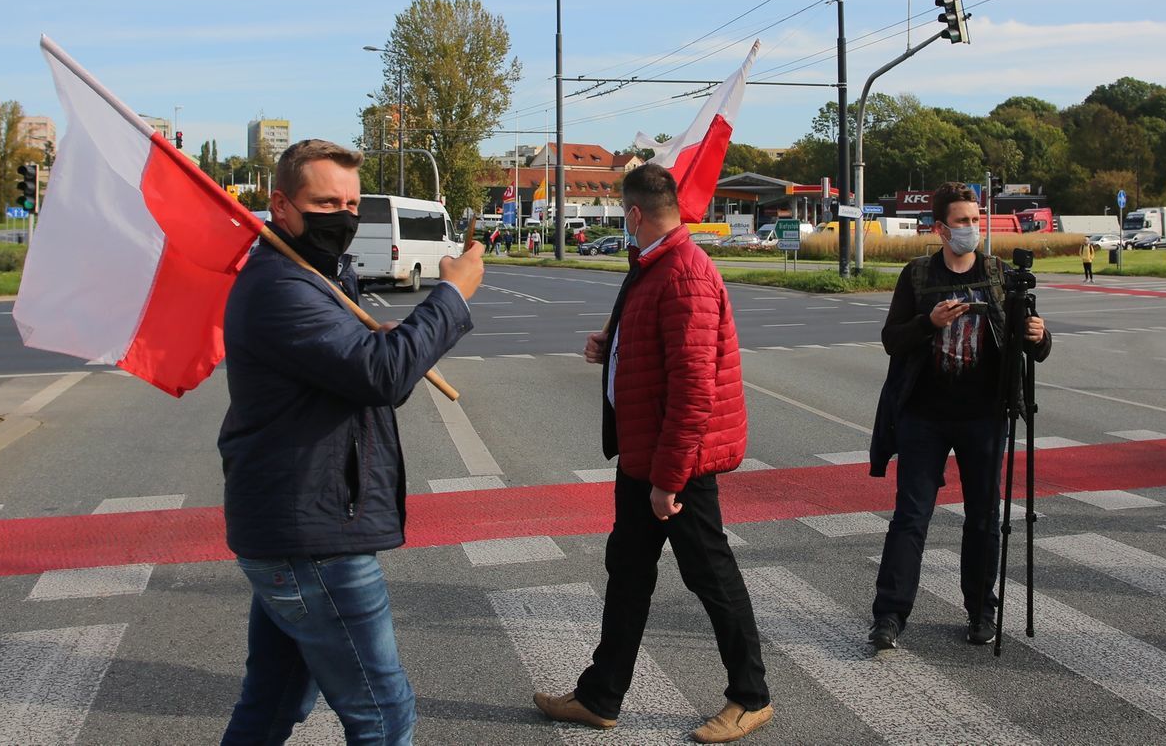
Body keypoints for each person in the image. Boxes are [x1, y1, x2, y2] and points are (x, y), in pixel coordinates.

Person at [217, 139, 483, 744]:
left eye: (351, 202)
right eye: (325, 201)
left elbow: (367, 379)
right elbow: (380, 375)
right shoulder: (282, 287)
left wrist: (392, 351)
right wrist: (452, 294)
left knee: (270, 705)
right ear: (280, 205)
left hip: (297, 526)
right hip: (312, 534)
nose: (342, 215)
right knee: (384, 713)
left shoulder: (319, 277)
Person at [533, 163, 773, 744]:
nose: (625, 221)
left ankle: (751, 697)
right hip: (646, 455)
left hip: (675, 463)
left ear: (635, 214)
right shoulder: (654, 265)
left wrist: (667, 479)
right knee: (628, 572)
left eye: (624, 213)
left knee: (709, 575)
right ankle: (599, 696)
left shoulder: (684, 273)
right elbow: (661, 351)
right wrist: (611, 346)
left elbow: (694, 390)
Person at [867, 181, 1050, 652]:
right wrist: (930, 322)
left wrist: (1039, 334)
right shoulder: (917, 276)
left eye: (975, 219)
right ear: (940, 228)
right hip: (923, 415)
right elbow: (891, 339)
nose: (971, 228)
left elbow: (1037, 349)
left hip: (984, 415)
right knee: (910, 516)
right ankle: (889, 615)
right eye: (962, 221)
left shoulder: (999, 275)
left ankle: (980, 610)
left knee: (984, 517)